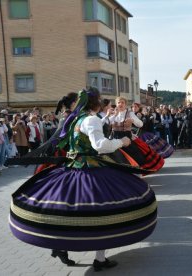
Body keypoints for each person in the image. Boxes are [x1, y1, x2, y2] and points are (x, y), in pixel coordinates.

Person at [9, 88, 157, 272]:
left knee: (67, 210)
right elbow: (101, 146)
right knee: (103, 213)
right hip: (92, 170)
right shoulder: (91, 119)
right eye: (101, 100)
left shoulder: (77, 119)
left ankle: (63, 247)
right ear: (95, 103)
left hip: (72, 169)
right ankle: (99, 259)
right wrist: (122, 143)